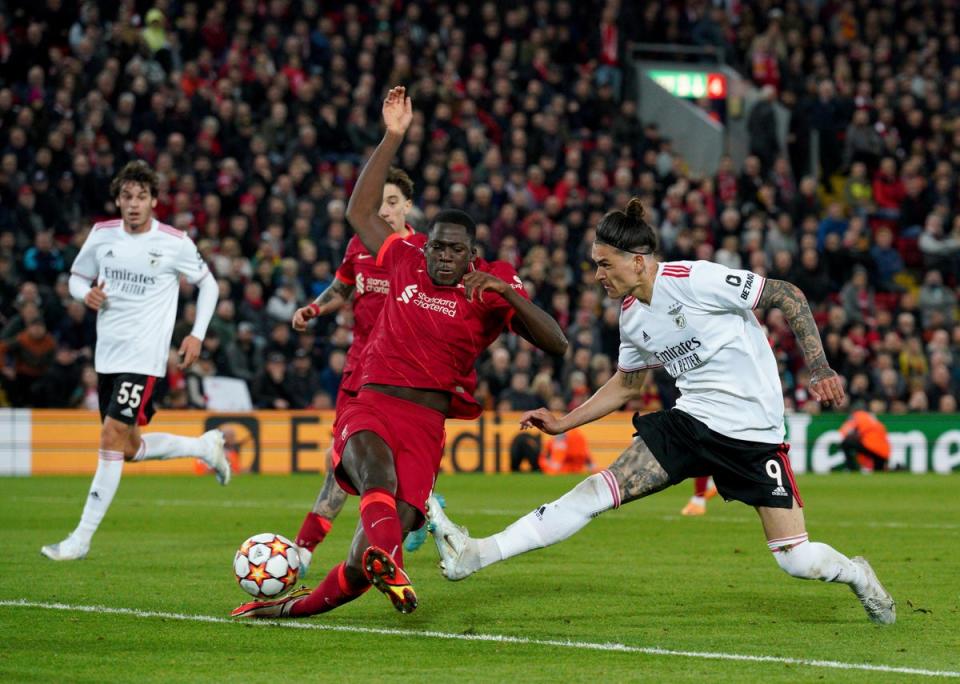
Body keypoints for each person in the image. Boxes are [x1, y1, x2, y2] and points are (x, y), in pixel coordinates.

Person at [427, 198, 895, 625]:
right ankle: (478, 553)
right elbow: (629, 384)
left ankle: (856, 575)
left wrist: (819, 368)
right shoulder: (631, 316)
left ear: (637, 261)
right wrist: (565, 421)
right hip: (690, 423)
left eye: (604, 265)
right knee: (597, 490)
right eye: (594, 265)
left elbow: (788, 294)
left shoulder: (696, 279)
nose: (597, 276)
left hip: (755, 436)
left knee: (797, 559)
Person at [231, 86, 568, 619]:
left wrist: (508, 295)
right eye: (436, 245)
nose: (442, 256)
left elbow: (558, 343)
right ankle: (393, 560)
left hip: (427, 426)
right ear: (425, 243)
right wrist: (392, 136)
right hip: (374, 400)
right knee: (374, 475)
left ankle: (289, 607)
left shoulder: (493, 286)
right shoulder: (404, 255)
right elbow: (357, 209)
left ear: (472, 255)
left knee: (362, 563)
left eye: (455, 249)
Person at [41, 160, 229, 562]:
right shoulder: (101, 235)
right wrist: (83, 295)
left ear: (154, 201)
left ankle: (81, 538)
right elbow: (76, 278)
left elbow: (208, 283)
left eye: (141, 197)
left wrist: (196, 333)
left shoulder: (174, 242)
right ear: (118, 200)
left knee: (109, 437)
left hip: (144, 358)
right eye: (126, 196)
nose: (133, 204)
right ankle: (205, 447)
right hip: (107, 355)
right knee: (127, 447)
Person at [288, 166, 435, 576]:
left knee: (364, 463)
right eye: (379, 203)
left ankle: (309, 547)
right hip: (359, 371)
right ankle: (312, 547)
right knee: (342, 458)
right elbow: (343, 287)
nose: (385, 211)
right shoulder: (358, 246)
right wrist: (314, 308)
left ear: (408, 205)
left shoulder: (421, 252)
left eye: (393, 202)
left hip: (402, 377)